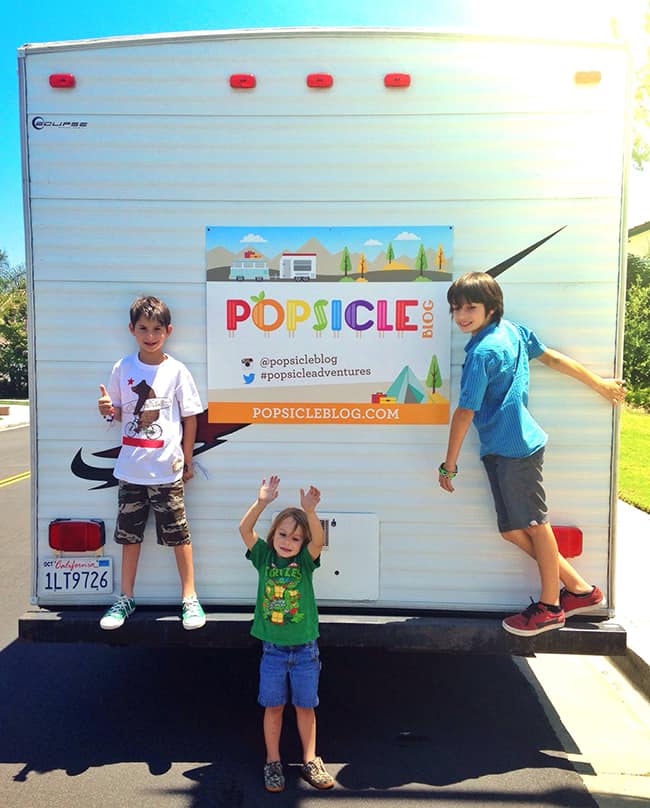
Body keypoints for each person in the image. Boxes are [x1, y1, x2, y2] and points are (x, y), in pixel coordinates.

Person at [438, 272, 626, 637]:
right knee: (512, 530)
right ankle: (580, 590)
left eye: (470, 308)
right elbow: (552, 359)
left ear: (491, 307)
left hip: (514, 449)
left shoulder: (483, 353)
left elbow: (464, 412)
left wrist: (449, 465)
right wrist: (599, 384)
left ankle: (550, 607)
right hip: (506, 448)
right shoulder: (512, 331)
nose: (461, 316)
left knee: (536, 525)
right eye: (456, 308)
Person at [97, 295, 206, 631]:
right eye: (143, 328)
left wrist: (187, 459)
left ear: (168, 331)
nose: (150, 335)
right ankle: (126, 597)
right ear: (132, 329)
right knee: (129, 536)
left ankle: (189, 597)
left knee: (178, 535)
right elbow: (117, 412)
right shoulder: (122, 367)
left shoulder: (177, 370)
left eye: (157, 329)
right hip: (130, 471)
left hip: (166, 470)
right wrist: (107, 410)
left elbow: (190, 417)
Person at [239, 475, 335, 792]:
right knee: (274, 706)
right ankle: (273, 762)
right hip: (273, 650)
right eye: (282, 534)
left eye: (295, 538)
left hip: (306, 650)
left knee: (305, 706)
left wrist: (310, 511)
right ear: (273, 535)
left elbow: (318, 540)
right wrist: (262, 502)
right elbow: (244, 530)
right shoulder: (264, 557)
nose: (287, 542)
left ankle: (310, 760)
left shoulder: (305, 562)